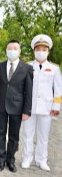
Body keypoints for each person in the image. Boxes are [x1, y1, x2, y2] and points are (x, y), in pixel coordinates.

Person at [21, 34, 62, 171]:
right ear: (34, 50)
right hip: (29, 107)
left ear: (48, 51)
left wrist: (56, 106)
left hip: (46, 107)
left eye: (44, 49)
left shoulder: (54, 69)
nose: (41, 51)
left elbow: (58, 90)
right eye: (38, 49)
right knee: (27, 134)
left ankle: (41, 160)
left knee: (44, 136)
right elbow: (22, 88)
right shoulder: (27, 67)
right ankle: (27, 158)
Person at [0, 40, 33, 173]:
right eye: (9, 48)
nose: (12, 50)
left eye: (15, 48)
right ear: (6, 50)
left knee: (13, 136)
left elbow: (28, 91)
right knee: (0, 134)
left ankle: (10, 160)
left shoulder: (27, 68)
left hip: (17, 107)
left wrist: (27, 110)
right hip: (1, 107)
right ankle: (0, 159)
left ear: (19, 51)